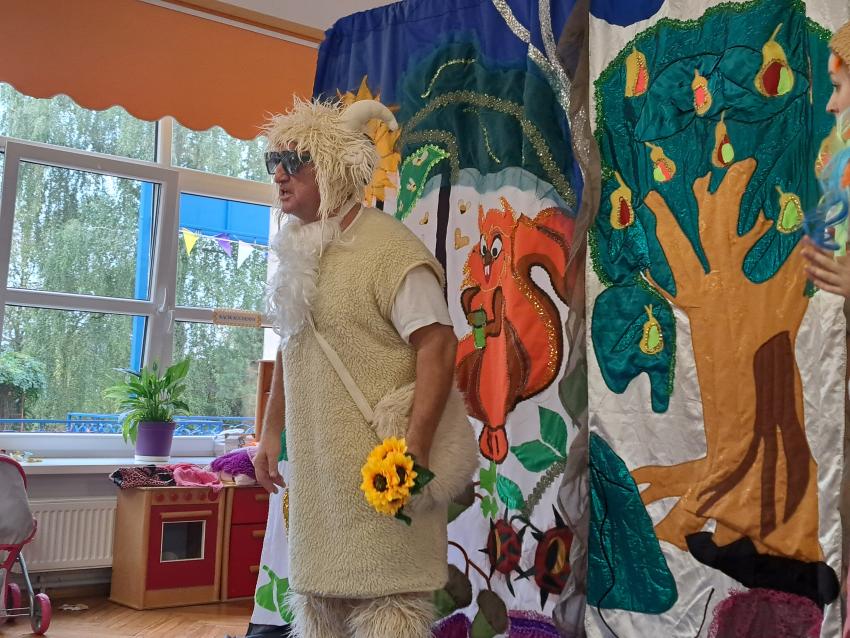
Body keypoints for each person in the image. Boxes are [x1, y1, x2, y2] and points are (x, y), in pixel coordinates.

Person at [251, 97, 477, 638]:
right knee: (320, 607)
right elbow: (293, 345)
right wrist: (270, 432)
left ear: (333, 167)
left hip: (382, 481)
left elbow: (438, 345)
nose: (279, 175)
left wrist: (415, 448)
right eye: (273, 161)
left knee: (388, 608)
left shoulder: (389, 250)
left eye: (294, 161)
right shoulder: (301, 253)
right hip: (320, 488)